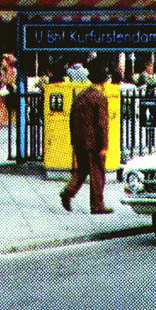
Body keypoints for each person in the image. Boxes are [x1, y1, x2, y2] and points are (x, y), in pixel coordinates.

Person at [59, 80, 112, 214]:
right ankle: (97, 205)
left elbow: (71, 119)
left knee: (82, 170)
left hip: (79, 140)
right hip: (93, 142)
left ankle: (68, 192)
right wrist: (103, 145)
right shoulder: (99, 98)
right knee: (97, 173)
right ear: (102, 82)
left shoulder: (79, 95)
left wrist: (73, 139)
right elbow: (101, 124)